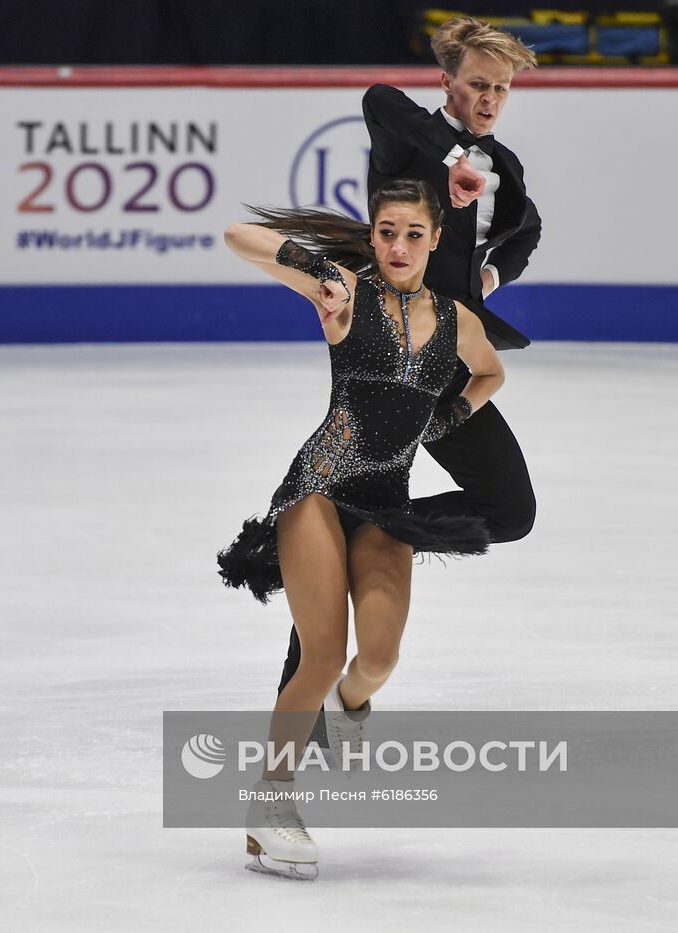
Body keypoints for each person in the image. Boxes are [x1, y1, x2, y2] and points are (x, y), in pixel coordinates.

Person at [217, 178, 504, 879]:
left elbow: (489, 373)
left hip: (385, 500)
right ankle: (272, 802)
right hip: (318, 487)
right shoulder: (347, 293)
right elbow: (238, 238)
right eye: (386, 232)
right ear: (372, 236)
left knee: (377, 658)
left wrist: (444, 421)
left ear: (436, 238)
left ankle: (348, 709)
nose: (399, 245)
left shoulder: (459, 319)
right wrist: (322, 273)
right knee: (321, 653)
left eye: (413, 233)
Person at [277, 15, 541, 726]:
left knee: (511, 510)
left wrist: (494, 270)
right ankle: (302, 700)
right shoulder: (408, 136)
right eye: (478, 84)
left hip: (451, 364)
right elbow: (375, 95)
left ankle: (377, 529)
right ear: (450, 83)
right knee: (332, 512)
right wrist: (450, 155)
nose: (489, 99)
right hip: (388, 357)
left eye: (502, 89)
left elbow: (529, 222)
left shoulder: (504, 166)